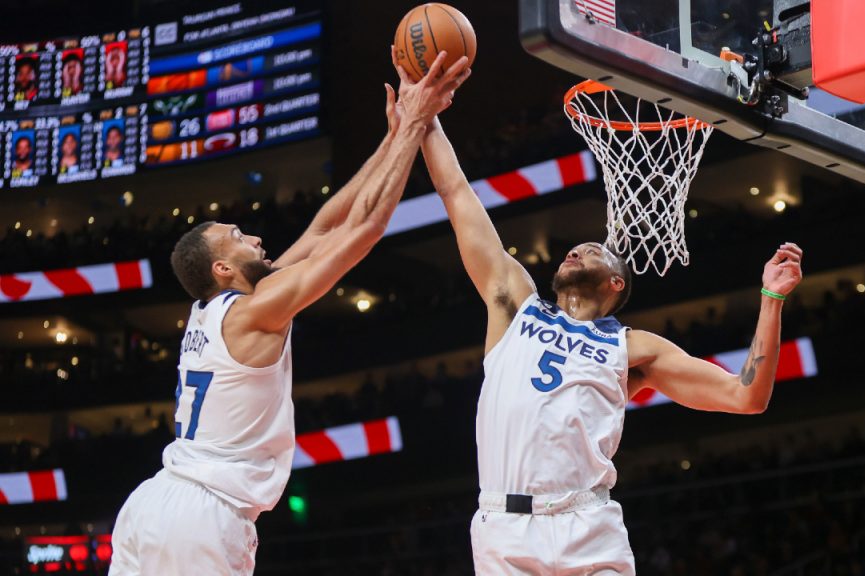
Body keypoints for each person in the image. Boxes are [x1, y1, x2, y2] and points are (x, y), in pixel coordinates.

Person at [402, 54, 803, 574]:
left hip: (587, 527)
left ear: (617, 282)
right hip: (503, 528)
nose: (577, 251)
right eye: (576, 249)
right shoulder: (513, 304)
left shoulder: (633, 348)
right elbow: (457, 194)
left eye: (594, 251)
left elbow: (747, 396)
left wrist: (770, 301)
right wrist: (424, 115)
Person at [109, 51, 470, 576]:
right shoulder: (253, 314)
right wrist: (416, 124)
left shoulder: (211, 310)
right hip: (201, 515)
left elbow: (325, 228)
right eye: (238, 239)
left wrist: (394, 139)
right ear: (222, 269)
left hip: (154, 505)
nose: (255, 238)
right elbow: (363, 229)